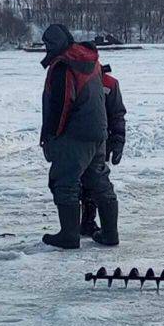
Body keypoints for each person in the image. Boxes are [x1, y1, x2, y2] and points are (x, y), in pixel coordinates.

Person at [40, 24, 119, 249]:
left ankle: (69, 235)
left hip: (74, 134)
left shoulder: (63, 66)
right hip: (98, 132)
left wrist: (52, 135)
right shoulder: (90, 60)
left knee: (65, 181)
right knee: (99, 181)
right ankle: (110, 233)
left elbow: (61, 105)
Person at [80, 64, 126, 236]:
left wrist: (118, 141)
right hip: (96, 139)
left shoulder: (108, 83)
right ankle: (87, 221)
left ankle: (88, 221)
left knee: (91, 182)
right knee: (89, 182)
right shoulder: (107, 82)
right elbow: (118, 115)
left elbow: (117, 115)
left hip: (94, 141)